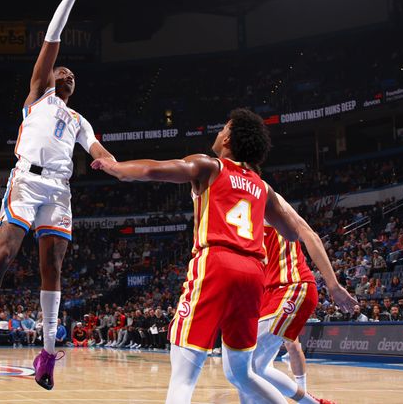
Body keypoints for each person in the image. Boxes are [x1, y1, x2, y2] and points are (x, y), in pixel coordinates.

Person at [92, 108, 354, 404]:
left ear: (228, 137)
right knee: (242, 374)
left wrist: (115, 168)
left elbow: (153, 170)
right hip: (254, 274)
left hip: (216, 262)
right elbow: (293, 233)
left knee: (183, 376)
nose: (217, 134)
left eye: (221, 130)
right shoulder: (262, 187)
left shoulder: (210, 166)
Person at [0, 0, 115, 392]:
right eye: (60, 70)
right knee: (5, 256)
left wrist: (114, 165)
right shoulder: (37, 97)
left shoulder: (79, 119)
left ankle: (47, 351)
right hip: (26, 181)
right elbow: (53, 36)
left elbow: (97, 148)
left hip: (59, 190)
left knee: (53, 267)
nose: (66, 72)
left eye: (71, 74)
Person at [252, 219, 355, 404]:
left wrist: (333, 284)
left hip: (291, 286)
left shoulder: (266, 200)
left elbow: (310, 235)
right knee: (259, 367)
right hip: (270, 294)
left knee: (245, 364)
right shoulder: (238, 221)